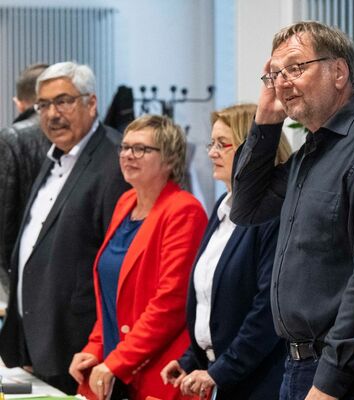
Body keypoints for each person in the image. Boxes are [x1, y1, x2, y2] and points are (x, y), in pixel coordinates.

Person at [230, 22, 354, 400]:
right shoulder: (313, 148)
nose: (282, 83)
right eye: (274, 74)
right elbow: (246, 207)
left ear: (339, 72)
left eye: (295, 68)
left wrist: (329, 382)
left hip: (346, 374)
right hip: (297, 365)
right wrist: (266, 120)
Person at [0, 61, 129, 393]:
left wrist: (99, 348)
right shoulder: (55, 155)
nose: (52, 113)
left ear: (91, 103)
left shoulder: (114, 161)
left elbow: (116, 263)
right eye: (43, 105)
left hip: (78, 347)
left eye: (63, 101)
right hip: (36, 341)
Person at [68, 115, 207, 400]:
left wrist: (119, 360)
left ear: (169, 160)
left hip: (159, 369)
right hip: (117, 363)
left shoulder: (184, 210)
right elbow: (111, 298)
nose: (128, 155)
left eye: (141, 149)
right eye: (125, 147)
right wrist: (94, 348)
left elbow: (169, 303)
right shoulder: (125, 202)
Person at [159, 104, 292, 399]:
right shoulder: (222, 207)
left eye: (222, 144)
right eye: (212, 143)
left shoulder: (272, 214)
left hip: (260, 381)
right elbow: (211, 301)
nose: (211, 153)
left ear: (253, 148)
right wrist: (191, 359)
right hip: (225, 374)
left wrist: (221, 370)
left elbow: (266, 309)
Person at [0, 63, 50, 312]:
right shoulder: (87, 139)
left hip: (24, 279)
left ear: (19, 102)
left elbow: (4, 224)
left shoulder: (12, 138)